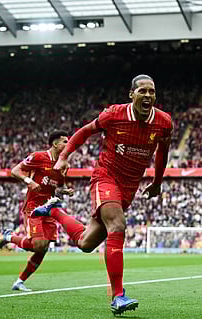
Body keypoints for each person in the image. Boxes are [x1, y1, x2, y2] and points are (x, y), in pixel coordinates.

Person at [33, 74, 173, 315]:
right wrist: (65, 156)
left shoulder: (164, 122)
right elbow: (84, 132)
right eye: (142, 91)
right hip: (105, 177)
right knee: (118, 225)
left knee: (87, 243)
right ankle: (118, 296)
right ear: (132, 94)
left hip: (129, 186)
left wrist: (157, 181)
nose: (148, 95)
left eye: (151, 91)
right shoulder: (114, 114)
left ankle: (54, 210)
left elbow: (162, 152)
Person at [0, 130, 73, 292]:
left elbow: (58, 187)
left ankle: (19, 281)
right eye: (65, 141)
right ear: (55, 143)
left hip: (50, 208)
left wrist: (66, 191)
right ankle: (9, 237)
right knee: (38, 245)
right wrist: (29, 181)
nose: (68, 144)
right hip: (33, 207)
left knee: (43, 248)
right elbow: (15, 171)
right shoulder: (38, 156)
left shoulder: (63, 164)